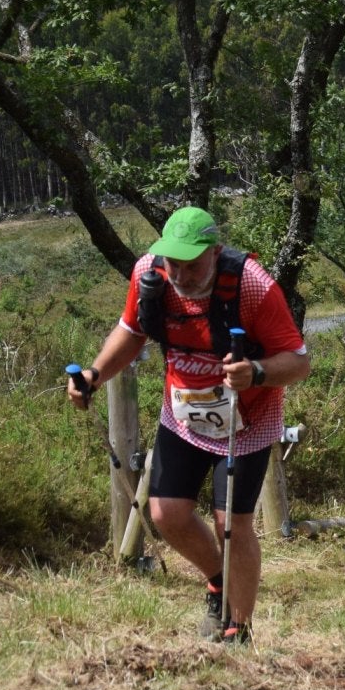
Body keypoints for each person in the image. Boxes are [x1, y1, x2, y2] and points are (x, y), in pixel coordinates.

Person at [67, 207, 310, 643]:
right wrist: (94, 374)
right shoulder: (150, 275)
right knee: (166, 514)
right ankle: (218, 580)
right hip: (184, 417)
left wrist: (255, 371)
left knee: (229, 524)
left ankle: (238, 627)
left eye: (191, 263)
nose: (178, 273)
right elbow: (132, 331)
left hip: (247, 422)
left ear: (215, 252)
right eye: (172, 261)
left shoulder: (252, 285)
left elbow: (298, 361)